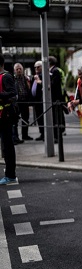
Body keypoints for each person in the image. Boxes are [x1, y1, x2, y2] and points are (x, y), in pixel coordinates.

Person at [0, 55, 19, 186]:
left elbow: (13, 94)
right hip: (2, 115)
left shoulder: (6, 76)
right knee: (5, 145)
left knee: (7, 145)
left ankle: (10, 175)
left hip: (5, 115)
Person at [48, 56, 67, 142]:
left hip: (56, 98)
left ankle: (57, 136)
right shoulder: (56, 70)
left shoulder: (54, 71)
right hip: (59, 97)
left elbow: (54, 85)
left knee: (56, 118)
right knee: (57, 117)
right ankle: (58, 135)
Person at [13, 63, 32, 143]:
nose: (19, 70)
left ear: (22, 69)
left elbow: (28, 88)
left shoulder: (25, 78)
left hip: (25, 101)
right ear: (14, 71)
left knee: (25, 119)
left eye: (20, 69)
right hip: (16, 102)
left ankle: (25, 135)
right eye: (17, 69)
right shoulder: (12, 79)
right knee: (15, 120)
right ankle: (15, 137)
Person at [31, 61, 45, 141]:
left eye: (38, 67)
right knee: (39, 118)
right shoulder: (36, 76)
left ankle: (44, 133)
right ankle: (42, 133)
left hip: (41, 100)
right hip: (36, 100)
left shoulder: (43, 76)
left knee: (42, 117)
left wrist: (39, 81)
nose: (36, 69)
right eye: (35, 67)